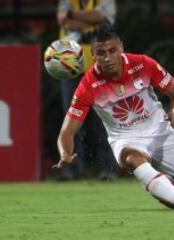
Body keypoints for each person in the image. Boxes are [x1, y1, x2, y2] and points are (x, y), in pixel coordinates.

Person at [53, 23, 174, 210]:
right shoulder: (88, 85)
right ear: (93, 55)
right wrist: (65, 153)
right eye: (101, 53)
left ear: (121, 47)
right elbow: (67, 131)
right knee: (132, 158)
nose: (108, 57)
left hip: (160, 130)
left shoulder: (143, 63)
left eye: (112, 50)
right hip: (125, 138)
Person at [56, 0, 119, 180]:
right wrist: (92, 21)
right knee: (71, 119)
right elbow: (63, 20)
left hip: (100, 69)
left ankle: (107, 169)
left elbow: (102, 18)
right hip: (70, 67)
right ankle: (72, 169)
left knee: (104, 118)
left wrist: (72, 16)